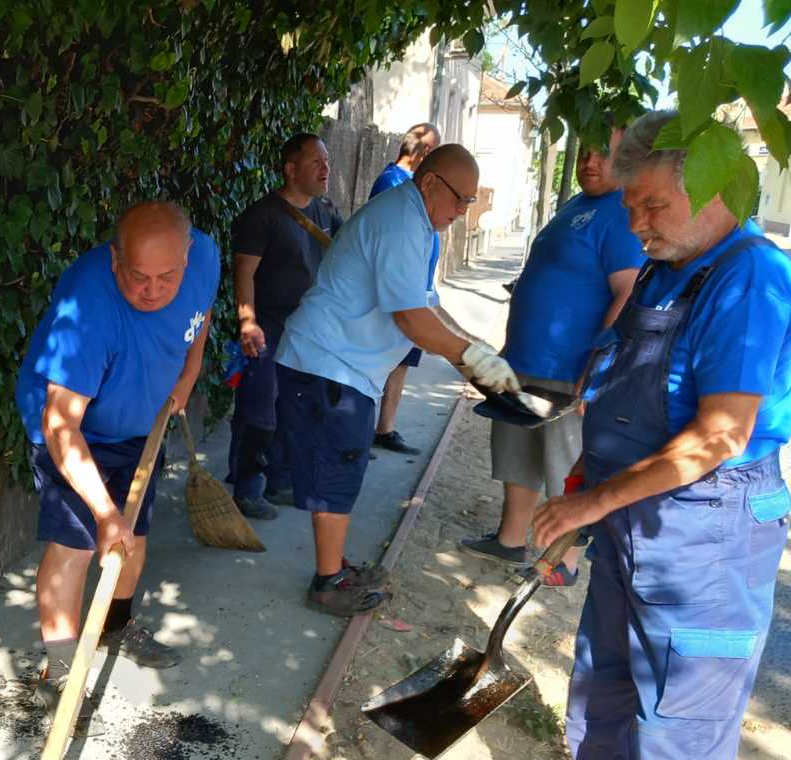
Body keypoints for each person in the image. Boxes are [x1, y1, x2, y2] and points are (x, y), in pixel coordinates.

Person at [502, 111, 791, 760]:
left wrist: (593, 504)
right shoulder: (667, 273)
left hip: (707, 537)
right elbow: (619, 405)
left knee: (681, 739)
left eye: (653, 204)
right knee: (602, 693)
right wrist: (575, 503)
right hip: (632, 521)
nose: (636, 223)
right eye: (632, 205)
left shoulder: (750, 279)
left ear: (715, 190)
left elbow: (719, 436)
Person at [275, 144, 518, 614]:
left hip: (342, 364)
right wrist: (469, 356)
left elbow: (424, 304)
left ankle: (336, 566)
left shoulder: (415, 221)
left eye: (470, 202)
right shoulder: (401, 222)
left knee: (343, 471)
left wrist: (474, 350)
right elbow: (410, 318)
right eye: (461, 199)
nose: (463, 212)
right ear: (429, 182)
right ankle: (328, 581)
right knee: (336, 475)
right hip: (328, 363)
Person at [14, 201, 218, 705]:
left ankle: (116, 627)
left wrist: (189, 374)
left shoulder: (204, 257)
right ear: (114, 258)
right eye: (138, 276)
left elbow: (202, 313)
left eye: (167, 277)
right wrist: (104, 513)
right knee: (77, 547)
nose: (152, 291)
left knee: (134, 535)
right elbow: (61, 426)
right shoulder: (88, 309)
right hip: (75, 433)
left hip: (139, 421)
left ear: (186, 258)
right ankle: (61, 673)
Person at [460, 136, 644, 584]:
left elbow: (627, 292)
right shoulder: (576, 205)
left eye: (603, 153)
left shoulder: (621, 213)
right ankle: (510, 539)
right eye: (585, 152)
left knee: (565, 463)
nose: (590, 160)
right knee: (517, 455)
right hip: (526, 362)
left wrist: (597, 366)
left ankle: (563, 560)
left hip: (569, 370)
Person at [225, 133, 344, 519]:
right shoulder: (263, 215)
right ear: (291, 169)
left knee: (296, 408)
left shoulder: (326, 211)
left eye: (326, 161)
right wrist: (248, 323)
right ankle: (247, 487)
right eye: (316, 162)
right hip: (268, 327)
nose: (325, 169)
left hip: (308, 329)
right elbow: (244, 272)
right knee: (259, 410)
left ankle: (281, 479)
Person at [367, 123, 444, 457]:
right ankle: (359, 431)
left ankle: (385, 428)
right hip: (395, 294)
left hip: (415, 291)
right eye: (437, 153)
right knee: (378, 363)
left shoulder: (410, 182)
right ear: (425, 152)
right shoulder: (392, 182)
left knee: (401, 363)